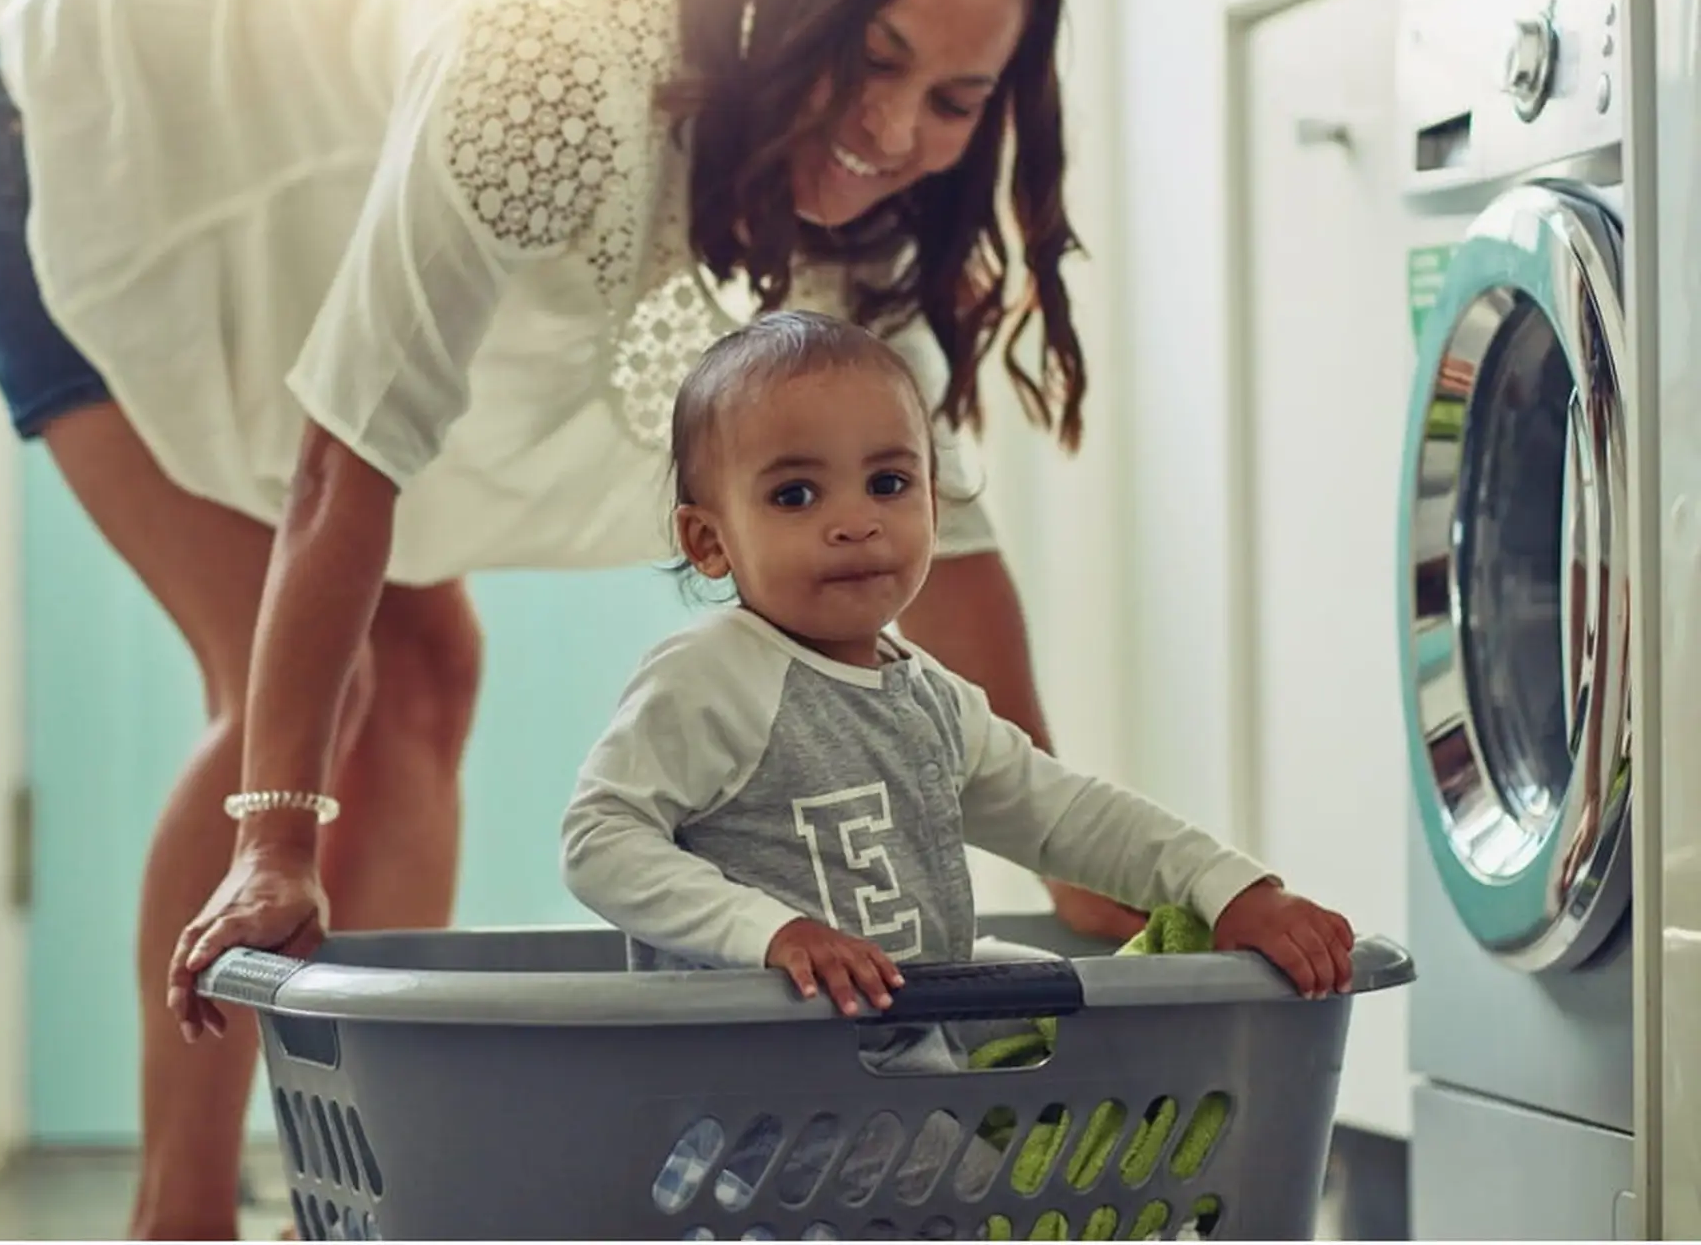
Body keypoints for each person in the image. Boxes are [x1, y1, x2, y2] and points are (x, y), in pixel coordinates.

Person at [0, 0, 1138, 1239]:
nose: (895, 130)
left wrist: (1085, 871)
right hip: (85, 158)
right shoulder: (559, 74)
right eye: (871, 57)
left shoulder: (867, 210)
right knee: (304, 707)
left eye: (953, 97)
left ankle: (378, 1199)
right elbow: (344, 471)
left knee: (428, 673)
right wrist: (274, 846)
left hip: (309, 228)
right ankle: (175, 1218)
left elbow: (950, 549)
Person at [561, 311, 1354, 1224]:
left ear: (935, 502)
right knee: (1003, 1210)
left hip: (906, 1052)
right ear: (709, 542)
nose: (855, 522)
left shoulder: (924, 695)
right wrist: (771, 932)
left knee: (1076, 1024)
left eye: (888, 482)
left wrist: (1230, 888)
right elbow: (599, 839)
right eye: (794, 497)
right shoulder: (713, 677)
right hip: (774, 1093)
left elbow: (1060, 814)